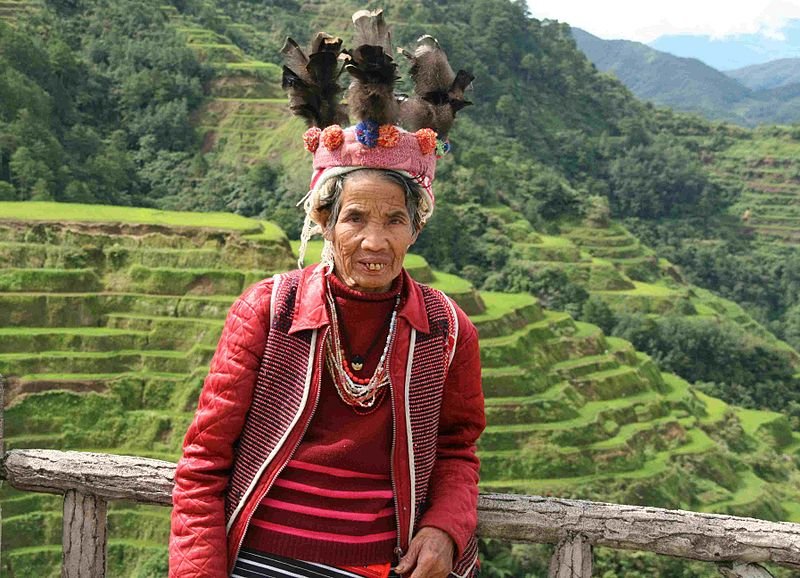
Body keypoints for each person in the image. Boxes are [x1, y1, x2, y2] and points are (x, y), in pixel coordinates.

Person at [169, 10, 483, 578]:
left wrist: (445, 527)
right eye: (355, 217)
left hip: (382, 566)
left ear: (417, 227)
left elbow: (458, 448)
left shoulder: (448, 329)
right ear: (324, 221)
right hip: (258, 563)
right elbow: (204, 461)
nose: (374, 240)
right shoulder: (266, 312)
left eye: (394, 220)